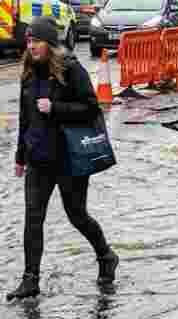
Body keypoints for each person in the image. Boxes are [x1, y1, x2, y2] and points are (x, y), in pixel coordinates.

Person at [8, 17, 118, 300]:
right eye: (29, 41)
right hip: (38, 159)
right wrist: (20, 156)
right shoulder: (29, 73)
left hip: (69, 159)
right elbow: (25, 118)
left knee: (77, 215)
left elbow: (91, 108)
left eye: (37, 41)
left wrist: (55, 107)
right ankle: (30, 279)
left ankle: (106, 256)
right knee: (33, 219)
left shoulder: (71, 70)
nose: (31, 46)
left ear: (50, 44)